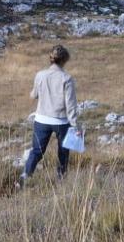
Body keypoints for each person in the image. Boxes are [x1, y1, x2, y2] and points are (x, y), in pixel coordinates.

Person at [18, 44, 82, 187]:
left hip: (41, 119)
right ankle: (61, 180)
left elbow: (33, 95)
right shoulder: (67, 78)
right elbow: (70, 105)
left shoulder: (40, 75)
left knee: (36, 151)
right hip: (61, 122)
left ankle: (25, 177)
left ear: (51, 59)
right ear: (65, 60)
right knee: (63, 152)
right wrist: (76, 125)